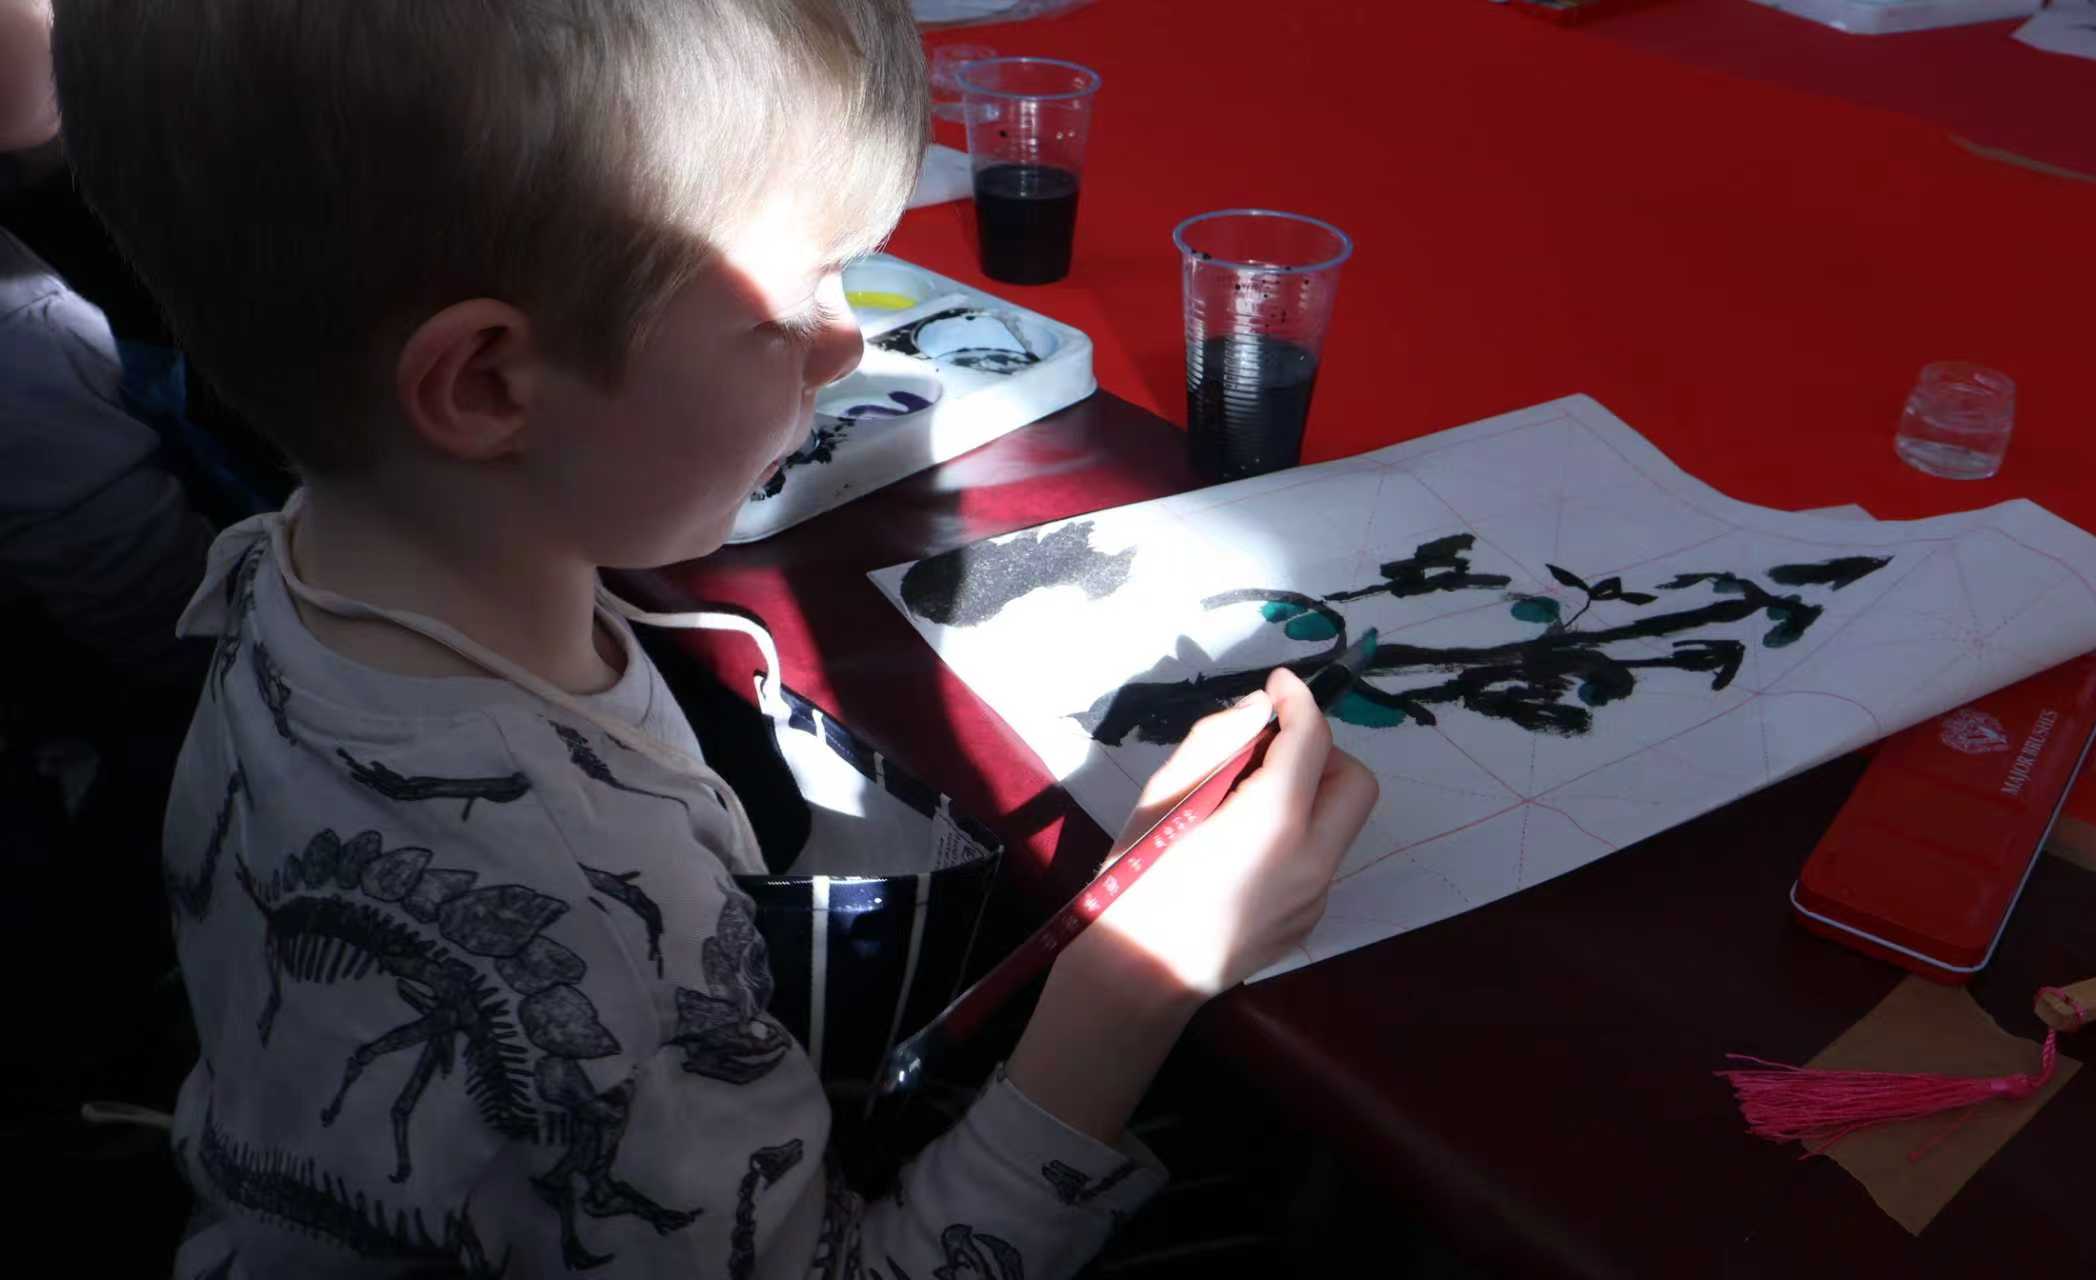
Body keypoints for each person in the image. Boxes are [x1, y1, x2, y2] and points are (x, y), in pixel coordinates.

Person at [51, 3, 1379, 1276]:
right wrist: (1137, 978)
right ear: (490, 384)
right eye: (785, 307)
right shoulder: (580, 928)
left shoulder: (297, 567)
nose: (844, 347)